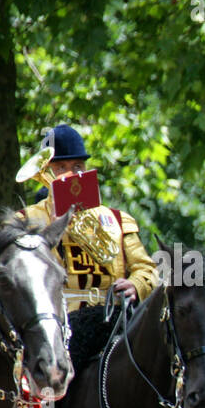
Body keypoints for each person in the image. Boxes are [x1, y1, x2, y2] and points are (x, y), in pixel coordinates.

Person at [19, 124, 156, 310]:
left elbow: (147, 270)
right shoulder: (24, 220)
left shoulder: (118, 220)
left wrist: (136, 284)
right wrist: (52, 234)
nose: (71, 174)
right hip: (57, 321)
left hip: (112, 318)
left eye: (77, 166)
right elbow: (19, 276)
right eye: (60, 167)